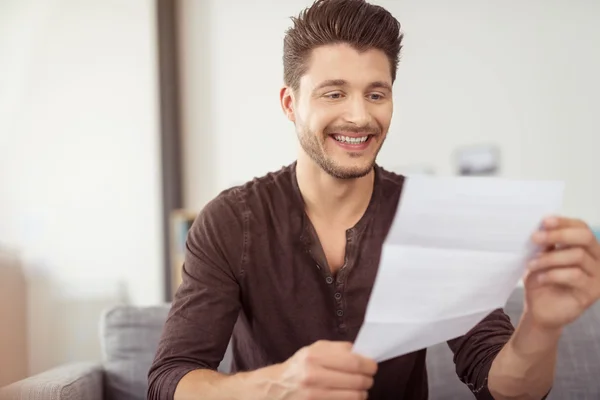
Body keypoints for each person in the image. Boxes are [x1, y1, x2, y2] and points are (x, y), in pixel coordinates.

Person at [148, 0, 600, 399]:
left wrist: (542, 325)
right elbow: (169, 380)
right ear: (290, 103)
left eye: (376, 94)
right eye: (334, 93)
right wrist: (275, 386)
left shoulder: (434, 217)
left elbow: (504, 388)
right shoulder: (230, 221)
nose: (360, 116)